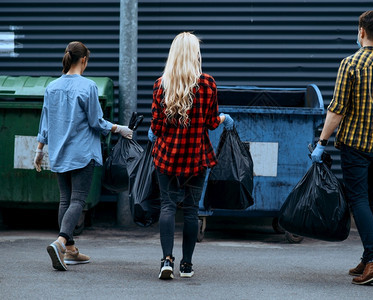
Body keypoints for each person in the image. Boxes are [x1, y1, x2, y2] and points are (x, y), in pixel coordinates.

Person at [311, 11, 373, 285]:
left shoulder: (350, 64)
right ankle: (369, 256)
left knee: (359, 200)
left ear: (361, 32)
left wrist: (321, 143)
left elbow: (337, 110)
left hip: (355, 146)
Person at [34, 41, 133, 271]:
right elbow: (96, 122)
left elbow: (45, 122)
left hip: (58, 152)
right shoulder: (88, 87)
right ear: (84, 60)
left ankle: (70, 251)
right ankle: (60, 243)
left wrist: (39, 150)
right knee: (78, 200)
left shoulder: (52, 87)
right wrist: (120, 128)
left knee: (65, 200)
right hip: (82, 154)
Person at [149, 32, 233, 280]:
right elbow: (210, 123)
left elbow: (157, 126)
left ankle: (166, 261)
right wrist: (224, 118)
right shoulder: (208, 83)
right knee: (191, 210)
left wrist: (154, 133)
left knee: (167, 205)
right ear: (195, 54)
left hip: (167, 156)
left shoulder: (160, 84)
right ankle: (186, 265)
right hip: (197, 156)